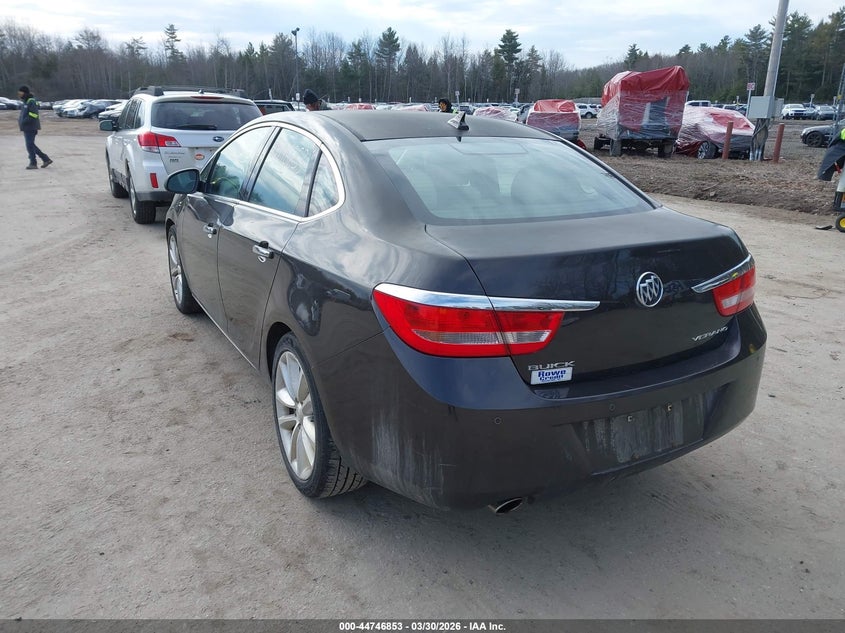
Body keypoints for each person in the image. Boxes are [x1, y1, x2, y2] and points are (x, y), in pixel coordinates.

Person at [18, 85, 53, 170]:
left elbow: (34, 114)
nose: (19, 94)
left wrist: (24, 121)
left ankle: (33, 163)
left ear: (24, 92)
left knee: (29, 145)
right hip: (27, 127)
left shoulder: (31, 101)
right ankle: (45, 159)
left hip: (31, 127)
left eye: (20, 92)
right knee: (31, 145)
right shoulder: (25, 101)